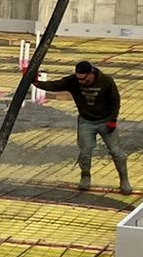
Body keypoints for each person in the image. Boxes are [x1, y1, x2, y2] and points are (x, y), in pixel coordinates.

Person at [38, 60, 132, 194]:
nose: (81, 82)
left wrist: (113, 119)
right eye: (78, 79)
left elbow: (115, 100)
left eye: (84, 79)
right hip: (86, 121)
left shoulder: (106, 81)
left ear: (91, 73)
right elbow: (55, 85)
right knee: (85, 152)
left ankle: (124, 180)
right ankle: (85, 177)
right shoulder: (74, 81)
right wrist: (36, 82)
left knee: (117, 152)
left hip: (105, 121)